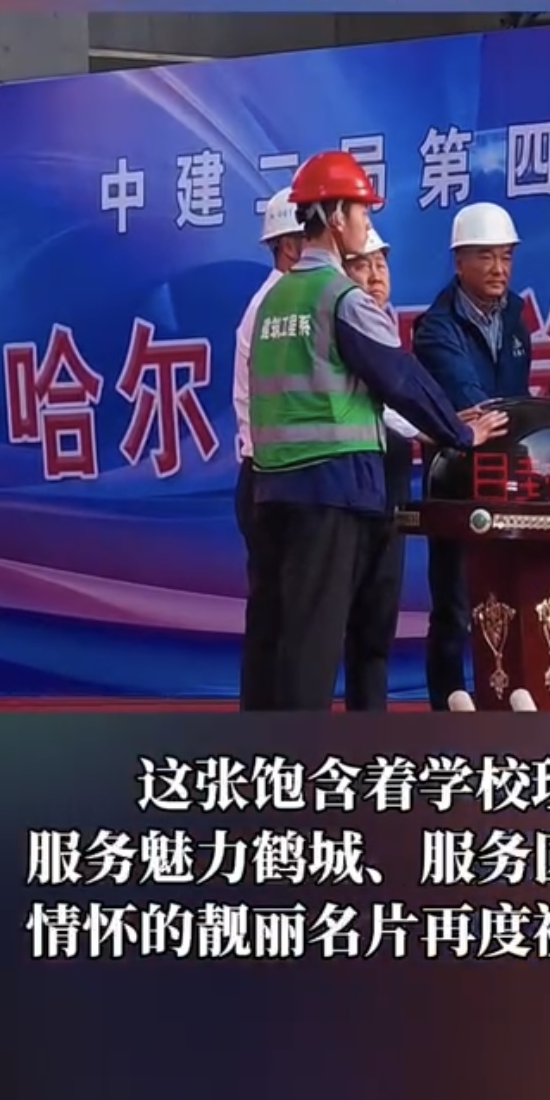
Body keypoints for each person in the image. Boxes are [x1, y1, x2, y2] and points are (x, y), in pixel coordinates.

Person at [249, 151, 507, 712]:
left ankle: (266, 752)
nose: (366, 224)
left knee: (287, 636)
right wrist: (460, 433)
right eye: (363, 212)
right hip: (333, 490)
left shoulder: (274, 299)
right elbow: (401, 379)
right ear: (335, 216)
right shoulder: (341, 297)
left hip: (274, 490)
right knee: (319, 643)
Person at [411, 202, 533, 708]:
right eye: (486, 257)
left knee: (509, 591)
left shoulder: (517, 317)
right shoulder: (436, 328)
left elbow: (516, 403)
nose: (499, 269)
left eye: (506, 257)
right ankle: (448, 700)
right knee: (454, 598)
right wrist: (500, 419)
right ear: (459, 262)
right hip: (456, 478)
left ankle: (508, 694)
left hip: (508, 475)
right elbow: (473, 404)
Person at [231, 191, 304, 711]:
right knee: (275, 616)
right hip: (271, 476)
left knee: (279, 614)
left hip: (275, 475)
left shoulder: (290, 303)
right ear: (289, 246)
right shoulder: (275, 309)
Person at [340, 227, 415, 711]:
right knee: (343, 615)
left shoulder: (385, 324)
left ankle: (371, 726)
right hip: (352, 483)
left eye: (380, 265)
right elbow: (389, 404)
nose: (374, 276)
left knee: (379, 613)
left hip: (390, 483)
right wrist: (451, 428)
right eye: (362, 265)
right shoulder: (340, 324)